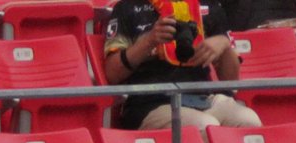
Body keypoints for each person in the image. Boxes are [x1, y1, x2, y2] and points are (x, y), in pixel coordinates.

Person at [103, 0, 261, 131]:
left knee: (248, 121)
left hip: (204, 98)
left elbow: (231, 82)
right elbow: (112, 73)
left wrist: (224, 44)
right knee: (204, 125)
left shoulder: (209, 5)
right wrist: (149, 41)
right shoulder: (127, 7)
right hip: (149, 103)